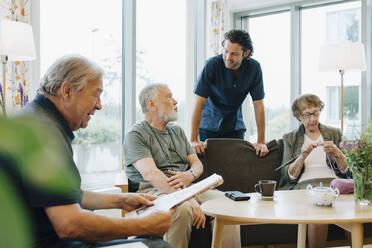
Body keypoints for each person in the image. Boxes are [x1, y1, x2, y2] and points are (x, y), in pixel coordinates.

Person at [15, 55, 173, 248]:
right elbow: (69, 225)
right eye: (96, 94)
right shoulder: (45, 134)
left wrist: (121, 200)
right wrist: (143, 225)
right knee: (157, 246)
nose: (99, 105)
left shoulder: (35, 119)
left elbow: (62, 197)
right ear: (67, 91)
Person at [124, 83, 241, 248]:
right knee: (182, 210)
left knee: (228, 204)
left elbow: (197, 164)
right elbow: (151, 174)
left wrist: (190, 175)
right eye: (169, 97)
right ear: (151, 104)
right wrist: (189, 199)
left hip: (188, 187)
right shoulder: (136, 134)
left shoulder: (177, 131)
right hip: (154, 190)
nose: (175, 101)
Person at [278, 94, 351, 248]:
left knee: (352, 210)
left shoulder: (335, 134)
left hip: (336, 185)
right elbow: (288, 175)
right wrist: (302, 156)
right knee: (319, 211)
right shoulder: (290, 138)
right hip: (306, 187)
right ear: (299, 116)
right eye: (307, 115)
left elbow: (347, 171)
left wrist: (337, 152)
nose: (312, 119)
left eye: (315, 113)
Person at [191, 29, 269, 157]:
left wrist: (261, 141)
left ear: (246, 53)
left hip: (234, 127)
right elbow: (198, 102)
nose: (228, 57)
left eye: (234, 54)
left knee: (235, 166)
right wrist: (193, 140)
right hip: (208, 126)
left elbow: (258, 105)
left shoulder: (254, 68)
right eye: (226, 51)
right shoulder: (212, 65)